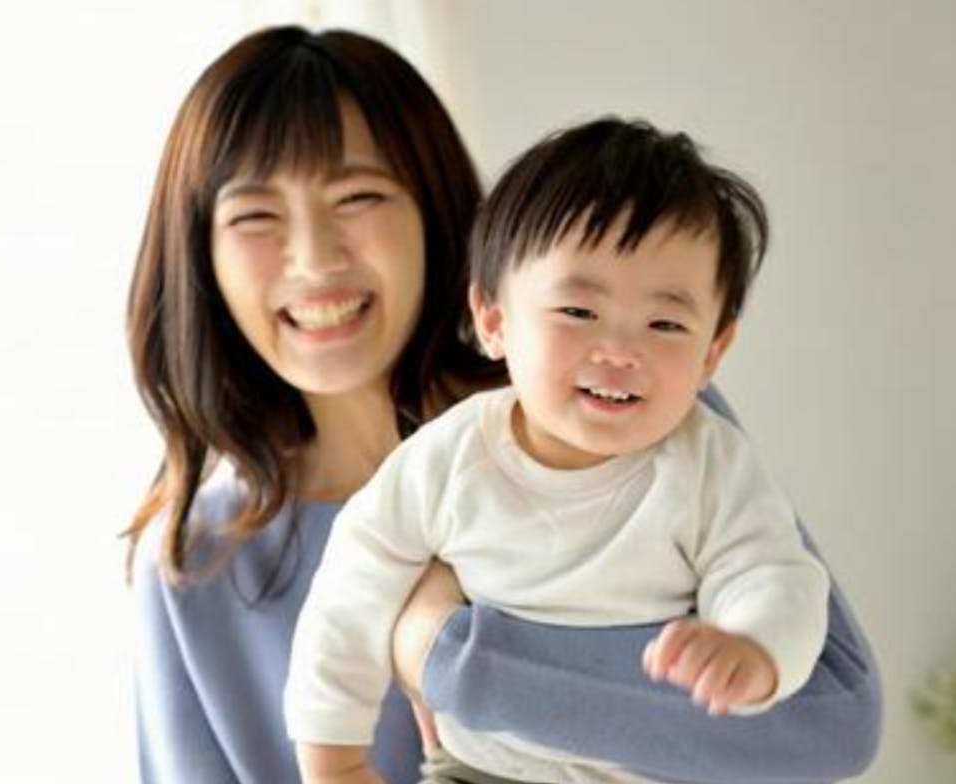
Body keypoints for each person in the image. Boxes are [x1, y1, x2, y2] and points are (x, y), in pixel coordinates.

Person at [126, 25, 882, 784]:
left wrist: (439, 650)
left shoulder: (635, 420)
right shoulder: (193, 562)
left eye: (358, 197)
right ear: (201, 252)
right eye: (254, 215)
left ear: (432, 211)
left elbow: (828, 728)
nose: (316, 257)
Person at [285, 117, 832, 784]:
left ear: (713, 352)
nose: (619, 350)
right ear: (494, 320)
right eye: (578, 312)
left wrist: (752, 646)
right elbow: (349, 598)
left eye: (665, 323)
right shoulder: (447, 460)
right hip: (479, 772)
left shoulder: (708, 463)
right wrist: (335, 759)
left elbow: (772, 572)